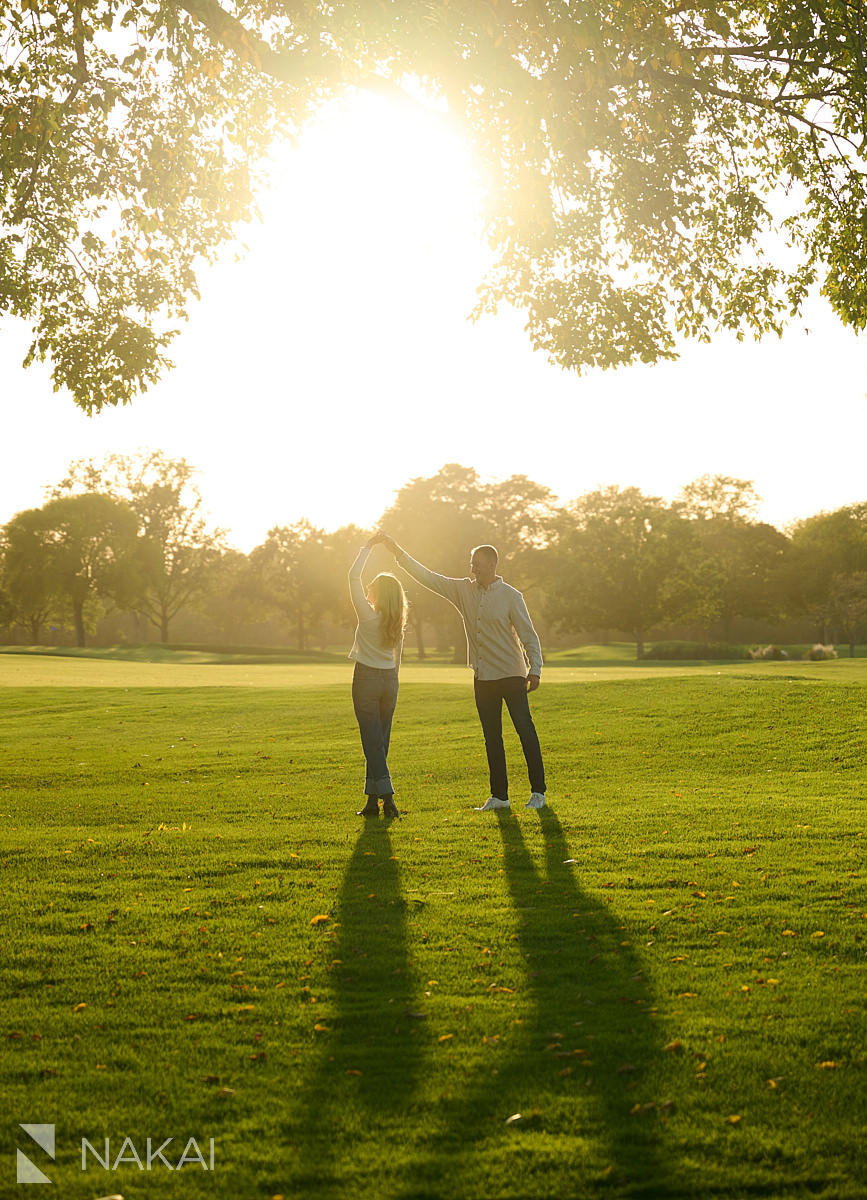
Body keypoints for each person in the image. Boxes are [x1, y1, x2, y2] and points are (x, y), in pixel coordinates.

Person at [376, 534, 547, 812]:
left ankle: (538, 793)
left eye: (477, 564)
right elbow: (429, 577)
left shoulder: (511, 596)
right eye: (471, 564)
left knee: (524, 731)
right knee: (492, 737)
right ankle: (500, 797)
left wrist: (535, 669)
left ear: (491, 564)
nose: (472, 569)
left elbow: (529, 636)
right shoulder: (463, 591)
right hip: (483, 678)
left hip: (512, 675)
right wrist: (397, 551)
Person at [348, 535, 408, 818]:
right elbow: (398, 662)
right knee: (378, 742)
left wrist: (368, 547)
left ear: (378, 594)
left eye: (372, 588)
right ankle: (372, 803)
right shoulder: (397, 622)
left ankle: (388, 799)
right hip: (389, 682)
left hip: (367, 681)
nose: (368, 590)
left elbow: (352, 576)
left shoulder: (368, 617)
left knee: (372, 742)